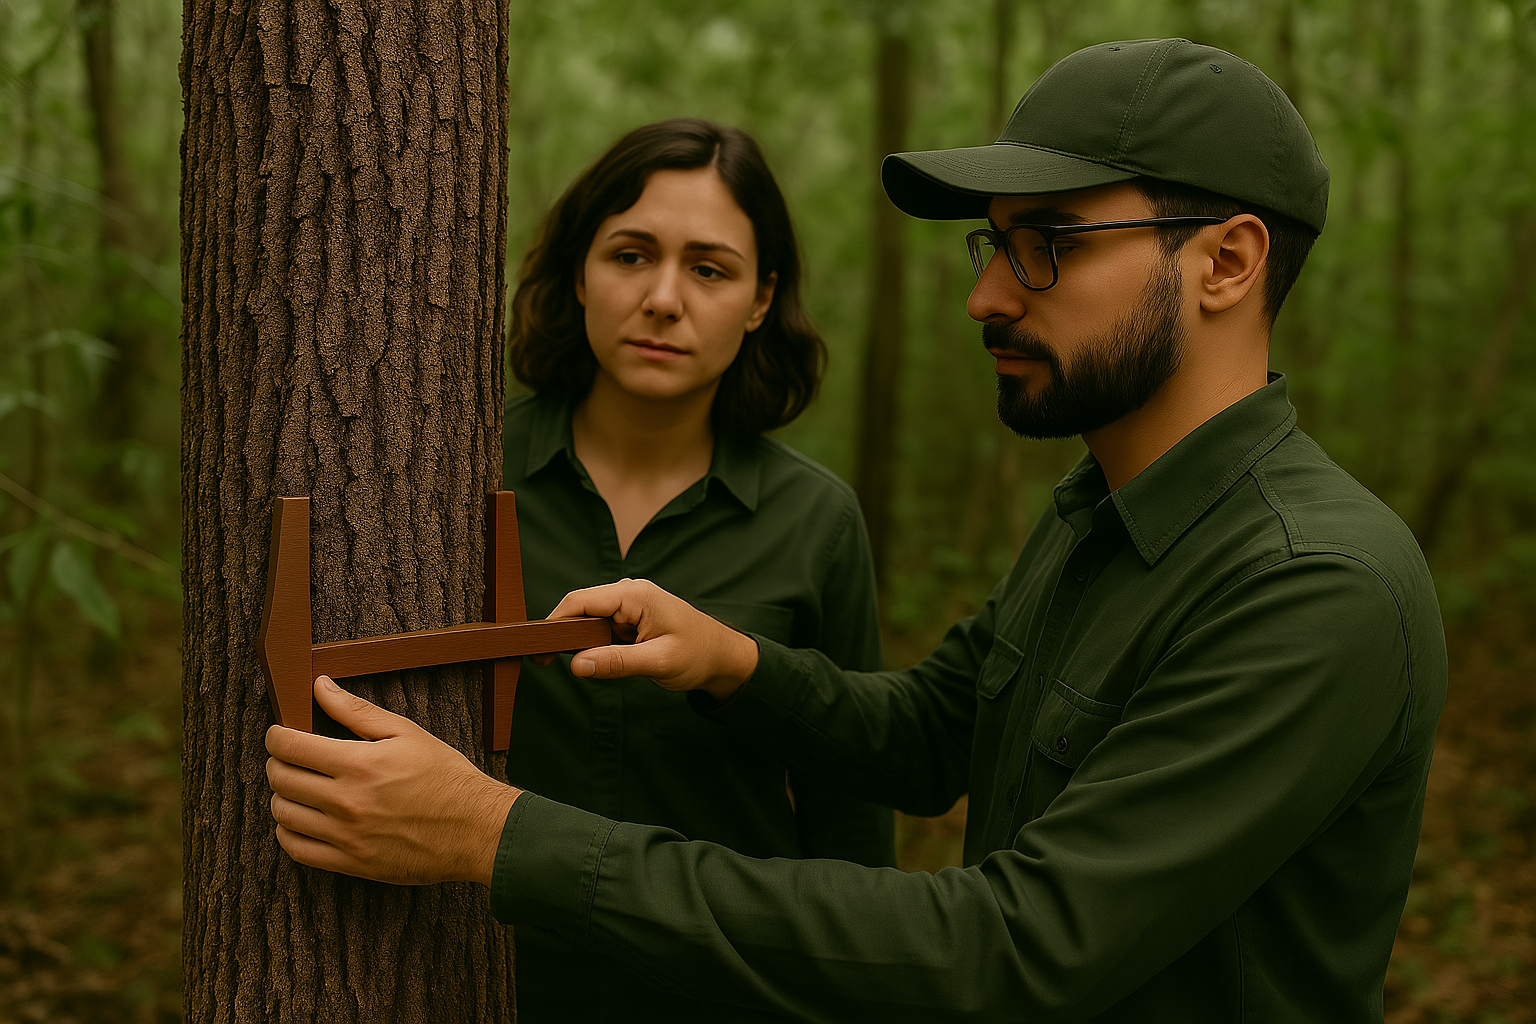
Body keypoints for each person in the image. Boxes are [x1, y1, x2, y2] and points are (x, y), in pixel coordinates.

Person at [265, 39, 1448, 1022]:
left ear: (1227, 262)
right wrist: (735, 663)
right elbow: (936, 732)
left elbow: (1012, 949)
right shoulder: (1101, 512)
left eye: (1047, 242)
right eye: (994, 244)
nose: (987, 294)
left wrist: (497, 835)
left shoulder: (1313, 586)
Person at [493, 117, 894, 1021]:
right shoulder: (459, 474)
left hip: (728, 995)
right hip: (487, 989)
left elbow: (849, 819)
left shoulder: (816, 521)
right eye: (631, 255)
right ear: (578, 271)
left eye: (709, 269)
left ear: (761, 300)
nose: (664, 298)